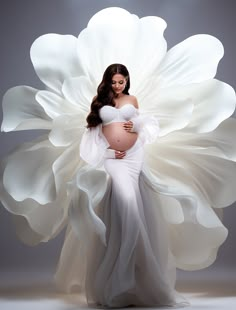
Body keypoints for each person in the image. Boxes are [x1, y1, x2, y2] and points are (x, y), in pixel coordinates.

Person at [55, 63, 189, 307]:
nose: (118, 86)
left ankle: (135, 284)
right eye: (114, 81)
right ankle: (121, 281)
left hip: (133, 158)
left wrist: (135, 127)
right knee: (128, 207)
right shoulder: (99, 100)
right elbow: (92, 136)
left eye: (122, 81)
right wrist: (107, 154)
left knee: (129, 210)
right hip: (114, 161)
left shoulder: (132, 99)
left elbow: (143, 128)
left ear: (127, 80)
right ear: (108, 81)